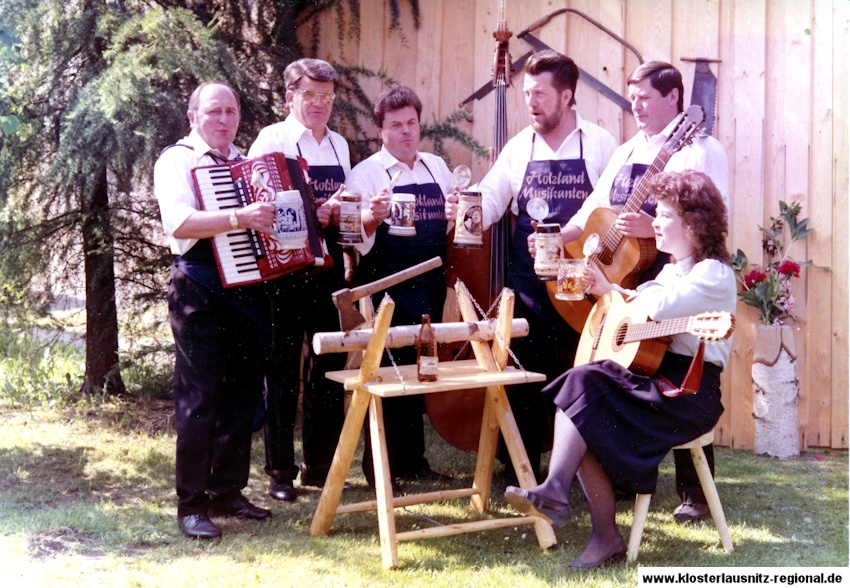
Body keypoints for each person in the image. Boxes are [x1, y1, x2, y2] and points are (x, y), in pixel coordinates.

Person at [505, 170, 736, 569]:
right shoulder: (671, 271)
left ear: (693, 224)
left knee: (583, 391)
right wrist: (613, 292)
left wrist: (611, 290)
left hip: (688, 392)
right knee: (580, 390)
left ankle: (572, 504)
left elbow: (657, 308)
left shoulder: (713, 273)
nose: (655, 222)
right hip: (656, 378)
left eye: (664, 215)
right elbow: (643, 306)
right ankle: (595, 527)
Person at [560, 61, 730, 524]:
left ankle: (693, 493)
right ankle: (614, 477)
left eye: (645, 97)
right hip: (630, 273)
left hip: (672, 266)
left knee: (681, 358)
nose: (635, 104)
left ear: (674, 97)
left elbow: (711, 212)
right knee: (627, 361)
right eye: (631, 96)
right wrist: (564, 238)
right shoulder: (629, 148)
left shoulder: (698, 147)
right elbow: (596, 202)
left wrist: (655, 234)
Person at [444, 50, 617, 481]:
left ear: (567, 96)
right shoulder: (519, 146)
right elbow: (491, 197)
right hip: (529, 285)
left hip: (582, 285)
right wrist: (466, 209)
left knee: (586, 374)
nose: (531, 102)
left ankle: (593, 472)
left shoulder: (598, 143)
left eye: (540, 94)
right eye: (526, 94)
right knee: (521, 373)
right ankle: (519, 467)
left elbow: (609, 210)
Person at [154, 82, 274, 540]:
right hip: (198, 285)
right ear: (193, 116)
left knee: (242, 394)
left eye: (231, 111)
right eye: (213, 112)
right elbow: (180, 223)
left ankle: (227, 492)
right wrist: (240, 217)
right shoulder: (177, 159)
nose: (223, 120)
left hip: (245, 286)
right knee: (199, 398)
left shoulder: (244, 162)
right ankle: (191, 504)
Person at [248, 58, 353, 502]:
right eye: (309, 95)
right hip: (283, 272)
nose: (319, 104)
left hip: (325, 270)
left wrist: (335, 218)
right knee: (282, 368)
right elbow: (257, 199)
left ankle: (318, 465)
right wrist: (311, 210)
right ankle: (279, 473)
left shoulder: (339, 145)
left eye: (327, 96)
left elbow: (341, 204)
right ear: (290, 97)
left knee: (327, 367)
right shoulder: (271, 139)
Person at [347, 85, 455, 488]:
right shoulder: (366, 173)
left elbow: (447, 223)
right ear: (381, 130)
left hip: (429, 281)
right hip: (387, 283)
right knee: (388, 375)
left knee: (419, 370)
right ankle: (380, 470)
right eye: (396, 125)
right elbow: (352, 240)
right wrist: (370, 219)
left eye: (411, 123)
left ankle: (413, 462)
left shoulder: (434, 167)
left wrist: (454, 212)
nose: (406, 132)